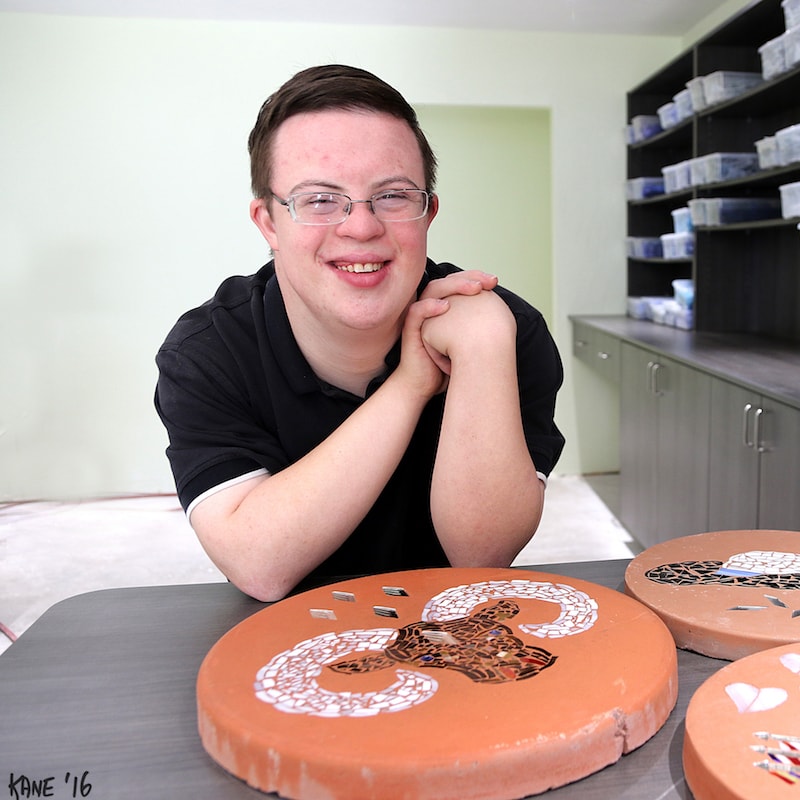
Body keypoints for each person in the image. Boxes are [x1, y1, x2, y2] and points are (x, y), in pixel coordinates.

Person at [155, 64, 564, 602]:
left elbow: (481, 559)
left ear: (427, 213)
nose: (362, 226)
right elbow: (258, 564)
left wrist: (483, 350)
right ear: (269, 223)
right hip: (284, 639)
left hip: (453, 630)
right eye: (320, 199)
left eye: (393, 196)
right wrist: (411, 384)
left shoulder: (505, 332)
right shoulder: (208, 351)